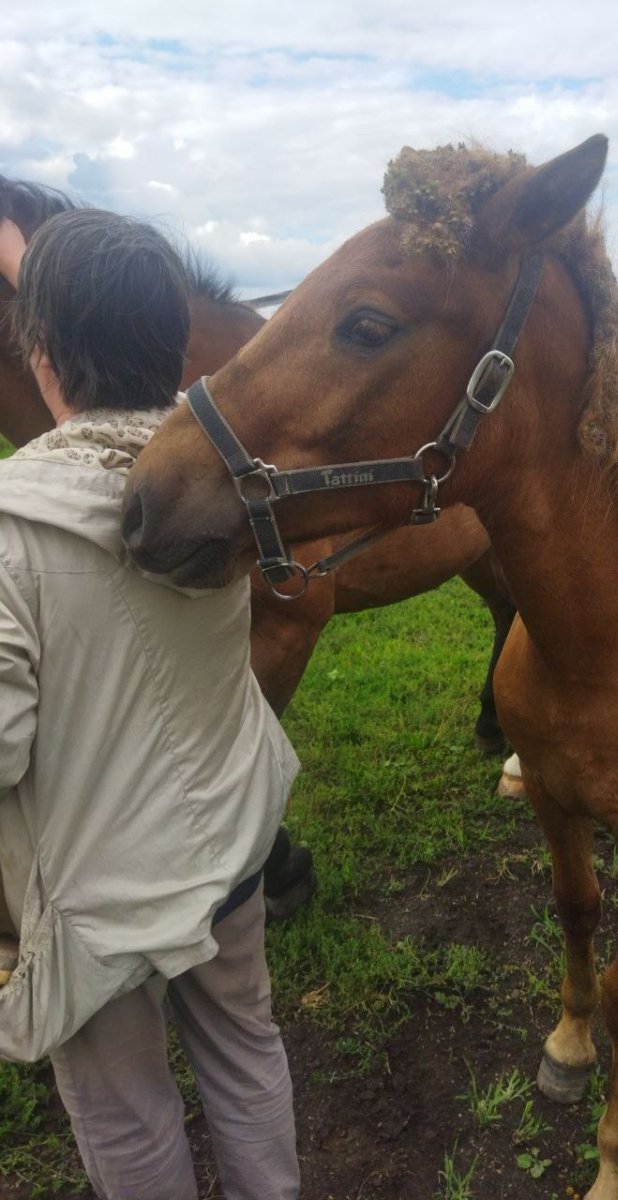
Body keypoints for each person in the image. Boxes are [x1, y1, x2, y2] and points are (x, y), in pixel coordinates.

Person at [0, 210, 302, 1199]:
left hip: (95, 903)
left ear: (39, 354)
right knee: (247, 1048)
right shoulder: (227, 489)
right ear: (178, 345)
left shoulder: (9, 533)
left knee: (127, 1115)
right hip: (231, 850)